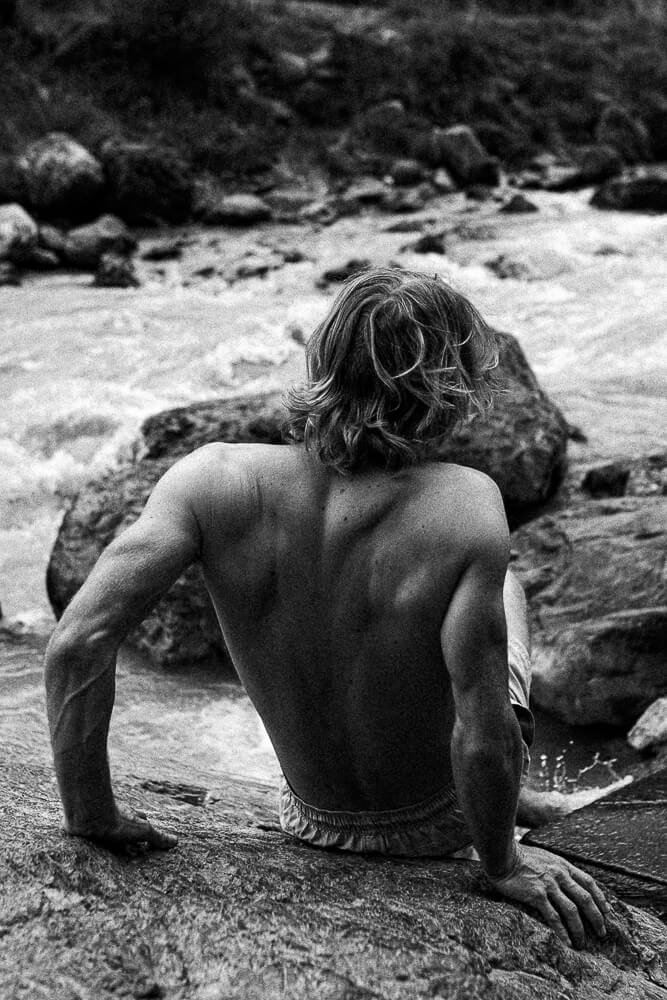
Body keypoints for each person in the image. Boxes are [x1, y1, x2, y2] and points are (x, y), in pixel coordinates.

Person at [45, 267, 608, 950]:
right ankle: (514, 802)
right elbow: (482, 725)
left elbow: (78, 642)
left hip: (310, 818)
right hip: (440, 824)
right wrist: (504, 865)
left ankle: (517, 798)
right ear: (448, 387)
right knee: (505, 589)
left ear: (322, 360)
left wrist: (90, 813)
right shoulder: (466, 505)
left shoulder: (210, 479)